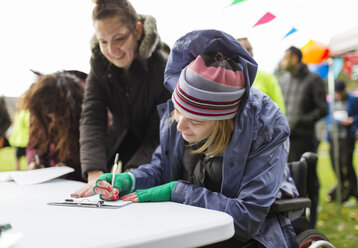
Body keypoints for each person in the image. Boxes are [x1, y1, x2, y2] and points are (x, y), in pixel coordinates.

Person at [93, 30, 299, 248]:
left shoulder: (267, 129)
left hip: (247, 238)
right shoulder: (179, 115)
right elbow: (161, 167)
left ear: (224, 121)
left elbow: (246, 219)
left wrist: (178, 192)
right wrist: (131, 180)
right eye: (178, 112)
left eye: (196, 121)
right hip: (187, 228)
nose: (180, 125)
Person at [72, 0, 171, 198]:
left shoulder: (162, 68)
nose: (112, 50)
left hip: (158, 153)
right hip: (119, 144)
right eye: (103, 42)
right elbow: (92, 119)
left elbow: (157, 134)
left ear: (137, 30)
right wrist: (95, 174)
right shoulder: (99, 66)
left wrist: (130, 176)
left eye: (119, 39)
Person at [276, 46, 328, 228]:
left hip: (306, 139)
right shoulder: (282, 80)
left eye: (285, 58)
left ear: (295, 59)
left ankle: (312, 222)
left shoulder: (314, 79)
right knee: (291, 180)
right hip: (287, 140)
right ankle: (295, 222)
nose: (282, 63)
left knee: (310, 180)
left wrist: (301, 121)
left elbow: (323, 109)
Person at [23, 71, 85, 181]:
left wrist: (69, 165)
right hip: (47, 180)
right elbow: (33, 144)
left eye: (56, 110)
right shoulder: (39, 115)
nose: (51, 116)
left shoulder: (83, 116)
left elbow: (92, 149)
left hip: (78, 181)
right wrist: (34, 161)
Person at [324, 80, 358, 203]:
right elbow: (325, 116)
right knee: (336, 165)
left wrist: (353, 120)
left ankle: (355, 195)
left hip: (347, 137)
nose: (338, 95)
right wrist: (332, 121)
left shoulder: (354, 100)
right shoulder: (331, 101)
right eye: (336, 93)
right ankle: (342, 190)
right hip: (333, 137)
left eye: (340, 93)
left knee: (347, 164)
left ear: (344, 91)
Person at [237, 37, 286, 113]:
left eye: (250, 49)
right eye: (245, 49)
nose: (250, 53)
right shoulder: (230, 79)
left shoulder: (267, 77)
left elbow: (279, 108)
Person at [9, 98, 30, 171]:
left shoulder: (26, 113)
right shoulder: (18, 114)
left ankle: (31, 174)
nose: (17, 105)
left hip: (26, 142)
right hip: (18, 142)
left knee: (29, 160)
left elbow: (29, 126)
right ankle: (17, 174)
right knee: (17, 160)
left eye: (19, 103)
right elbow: (16, 129)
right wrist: (12, 139)